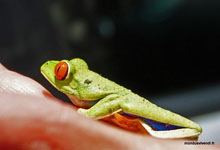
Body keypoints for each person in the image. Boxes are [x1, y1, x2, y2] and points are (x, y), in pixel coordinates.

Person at [0, 63, 218, 150]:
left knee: (195, 130)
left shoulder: (91, 94)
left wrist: (90, 114)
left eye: (61, 72)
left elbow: (115, 101)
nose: (53, 70)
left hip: (127, 103)